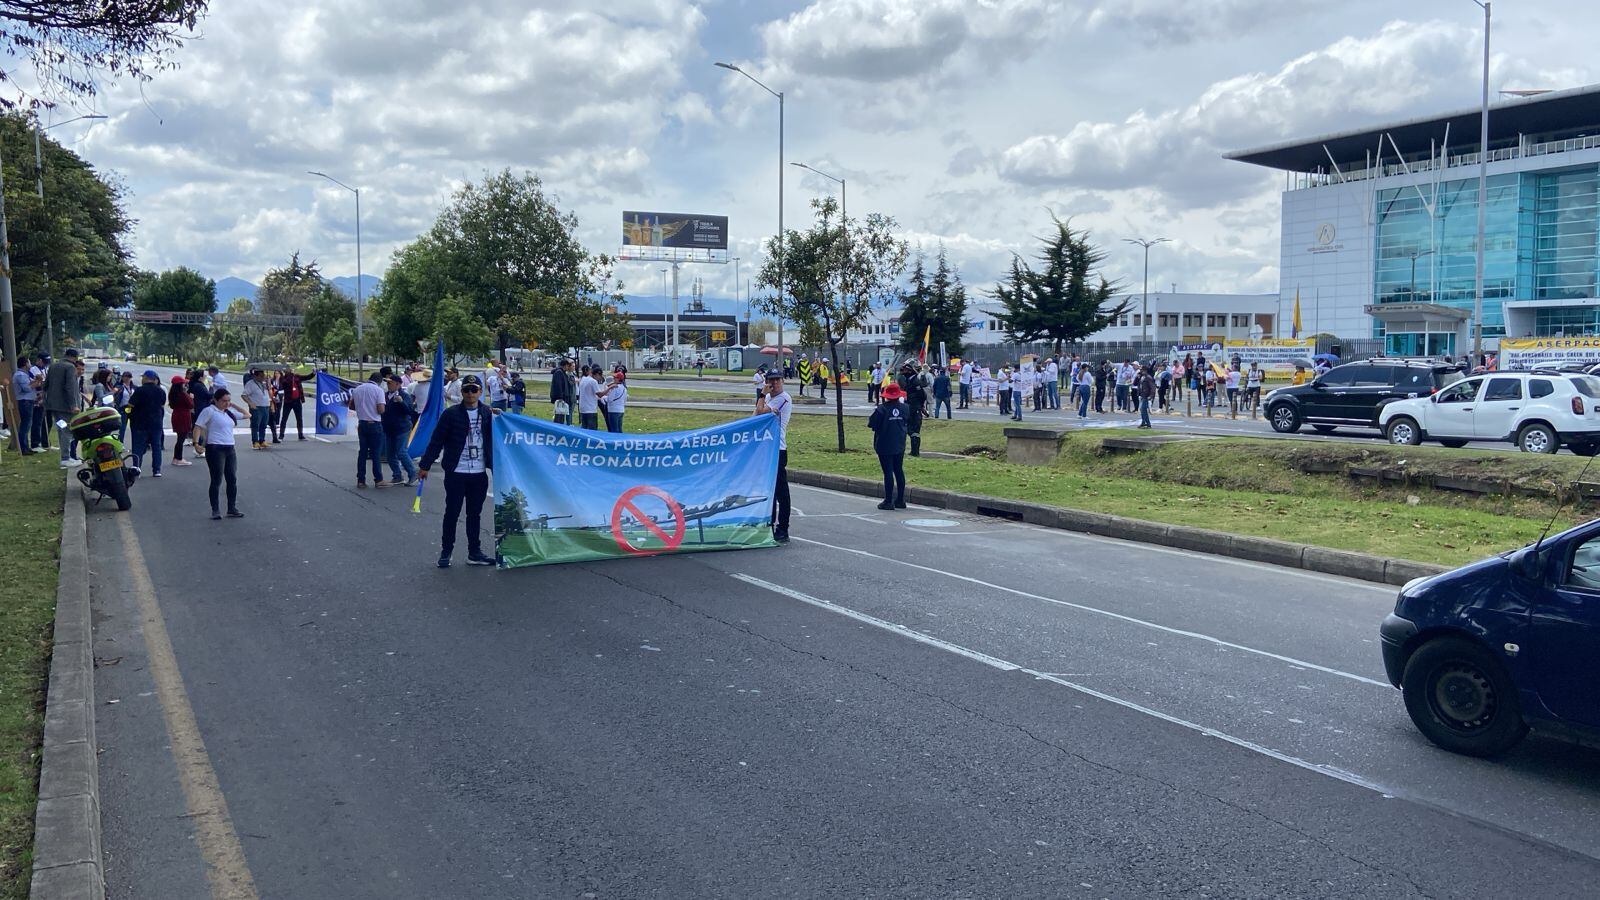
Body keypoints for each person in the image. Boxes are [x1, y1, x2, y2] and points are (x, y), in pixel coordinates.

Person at [420, 375, 495, 568]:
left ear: (480, 392)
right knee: (452, 512)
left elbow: (499, 439)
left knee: (474, 514)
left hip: (478, 473)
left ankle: (474, 552)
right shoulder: (451, 414)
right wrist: (425, 465)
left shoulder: (487, 413)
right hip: (456, 472)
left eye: (474, 389)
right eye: (466, 390)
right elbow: (437, 440)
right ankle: (446, 551)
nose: (470, 393)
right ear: (461, 392)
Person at [192, 389, 243, 519]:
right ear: (216, 400)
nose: (226, 403)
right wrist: (196, 443)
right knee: (217, 479)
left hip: (230, 447)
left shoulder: (228, 413)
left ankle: (231, 508)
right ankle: (215, 509)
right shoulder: (209, 411)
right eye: (224, 401)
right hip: (215, 448)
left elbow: (248, 415)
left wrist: (233, 405)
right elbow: (198, 426)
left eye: (228, 401)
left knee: (232, 478)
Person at [754, 370, 791, 543]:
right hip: (767, 449)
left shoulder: (784, 398)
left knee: (781, 492)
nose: (775, 383)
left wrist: (762, 394)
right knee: (771, 491)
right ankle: (769, 524)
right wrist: (763, 396)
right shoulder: (768, 398)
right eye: (771, 380)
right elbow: (755, 414)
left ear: (782, 381)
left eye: (777, 380)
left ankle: (783, 529)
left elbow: (760, 412)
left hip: (778, 449)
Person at [868, 382, 910, 510]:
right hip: (899, 442)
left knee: (888, 472)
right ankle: (901, 500)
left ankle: (888, 500)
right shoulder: (905, 408)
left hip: (884, 443)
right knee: (898, 470)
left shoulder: (881, 409)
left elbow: (872, 424)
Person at [43, 349, 82, 468]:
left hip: (54, 405)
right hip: (66, 407)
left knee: (61, 429)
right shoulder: (70, 367)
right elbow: (70, 387)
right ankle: (65, 458)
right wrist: (73, 405)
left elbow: (46, 384)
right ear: (74, 357)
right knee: (66, 431)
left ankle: (66, 456)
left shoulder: (53, 366)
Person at [380, 373, 419, 486]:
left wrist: (401, 402)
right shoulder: (385, 395)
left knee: (401, 452)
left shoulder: (404, 395)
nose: (388, 385)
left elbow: (409, 411)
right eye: (387, 383)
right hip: (389, 428)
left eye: (390, 383)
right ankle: (397, 476)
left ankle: (412, 473)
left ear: (398, 384)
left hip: (402, 428)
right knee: (390, 454)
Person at [128, 370, 167, 476]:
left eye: (143, 377)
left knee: (138, 447)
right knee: (156, 447)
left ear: (146, 378)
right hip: (156, 423)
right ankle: (157, 470)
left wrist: (129, 415)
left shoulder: (139, 391)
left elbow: (130, 405)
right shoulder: (161, 391)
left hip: (140, 423)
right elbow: (162, 405)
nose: (142, 379)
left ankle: (137, 468)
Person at [351, 372, 387, 487]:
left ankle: (361, 480)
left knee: (362, 452)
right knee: (375, 453)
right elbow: (381, 409)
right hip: (374, 424)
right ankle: (378, 479)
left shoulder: (357, 389)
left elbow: (351, 406)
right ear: (380, 381)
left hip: (362, 424)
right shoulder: (378, 390)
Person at [899, 363, 928, 456]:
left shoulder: (915, 381)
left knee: (914, 430)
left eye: (905, 370)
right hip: (911, 407)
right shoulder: (909, 380)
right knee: (910, 429)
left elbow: (922, 395)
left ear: (910, 371)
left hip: (915, 408)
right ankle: (913, 450)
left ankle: (915, 451)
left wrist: (920, 406)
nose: (903, 372)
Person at [242, 368, 273, 449]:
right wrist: (250, 403)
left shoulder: (264, 384)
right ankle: (255, 441)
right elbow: (244, 395)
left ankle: (262, 440)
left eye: (264, 375)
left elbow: (269, 393)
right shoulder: (250, 384)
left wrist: (268, 384)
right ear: (256, 376)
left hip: (265, 406)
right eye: (261, 376)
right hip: (257, 407)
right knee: (255, 424)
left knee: (264, 424)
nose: (263, 377)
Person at [10, 358, 36, 454]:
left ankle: (26, 447)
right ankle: (23, 448)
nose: (30, 364)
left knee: (26, 425)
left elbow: (29, 384)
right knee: (25, 425)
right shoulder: (20, 375)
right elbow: (26, 388)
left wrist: (36, 381)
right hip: (24, 401)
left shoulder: (25, 374)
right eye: (29, 362)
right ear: (25, 364)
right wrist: (36, 383)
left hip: (27, 401)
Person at [275, 368, 307, 441]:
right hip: (288, 401)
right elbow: (285, 383)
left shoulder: (296, 377)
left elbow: (306, 377)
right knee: (284, 418)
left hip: (297, 400)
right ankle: (281, 435)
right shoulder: (284, 378)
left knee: (299, 418)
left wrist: (313, 374)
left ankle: (300, 435)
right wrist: (291, 375)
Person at [168, 375, 195, 466]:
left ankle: (177, 458)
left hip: (176, 415)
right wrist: (190, 397)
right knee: (181, 438)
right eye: (183, 383)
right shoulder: (183, 394)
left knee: (180, 437)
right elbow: (191, 405)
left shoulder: (172, 394)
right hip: (183, 416)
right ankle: (178, 458)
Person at [550, 358, 576, 424]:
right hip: (560, 398)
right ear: (565, 365)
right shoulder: (559, 372)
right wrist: (560, 397)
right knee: (559, 414)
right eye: (568, 365)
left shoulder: (563, 373)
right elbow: (559, 385)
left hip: (564, 397)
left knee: (561, 414)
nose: (568, 367)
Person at [576, 364, 601, 430]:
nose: (600, 378)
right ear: (597, 374)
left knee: (584, 428)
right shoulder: (593, 381)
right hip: (591, 409)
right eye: (600, 376)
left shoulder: (583, 379)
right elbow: (599, 394)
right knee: (592, 429)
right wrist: (609, 389)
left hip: (583, 408)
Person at [114, 371, 137, 442]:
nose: (127, 378)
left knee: (134, 427)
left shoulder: (134, 387)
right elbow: (115, 396)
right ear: (122, 377)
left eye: (129, 377)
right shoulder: (119, 387)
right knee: (122, 427)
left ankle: (135, 444)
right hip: (123, 408)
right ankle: (120, 443)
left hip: (133, 408)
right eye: (125, 377)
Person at [1136, 364, 1156, 428]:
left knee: (1143, 409)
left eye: (1142, 370)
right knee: (1142, 409)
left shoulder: (1148, 378)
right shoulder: (1142, 377)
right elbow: (1137, 384)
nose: (1141, 372)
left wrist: (1151, 396)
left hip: (1146, 395)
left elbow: (1152, 387)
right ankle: (1144, 422)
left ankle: (1147, 423)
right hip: (1142, 395)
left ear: (1145, 371)